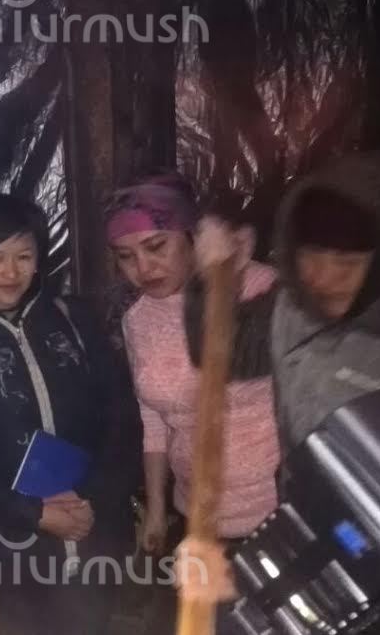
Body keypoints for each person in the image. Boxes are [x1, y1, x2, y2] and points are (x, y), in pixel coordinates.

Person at [177, 151, 380, 615]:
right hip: (304, 519)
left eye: (346, 262)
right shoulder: (291, 306)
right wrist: (216, 279)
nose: (323, 278)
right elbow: (218, 351)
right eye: (311, 256)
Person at [0, 194, 142, 635]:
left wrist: (91, 499)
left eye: (24, 256)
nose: (10, 272)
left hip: (92, 533)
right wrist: (34, 513)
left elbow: (122, 417)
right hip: (11, 546)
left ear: (40, 258)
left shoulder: (73, 319)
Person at [106, 174, 280, 555]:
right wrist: (156, 509)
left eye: (156, 246)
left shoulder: (262, 288)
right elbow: (154, 420)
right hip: (194, 512)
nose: (143, 267)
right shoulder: (137, 321)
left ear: (191, 236)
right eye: (125, 256)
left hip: (278, 510)